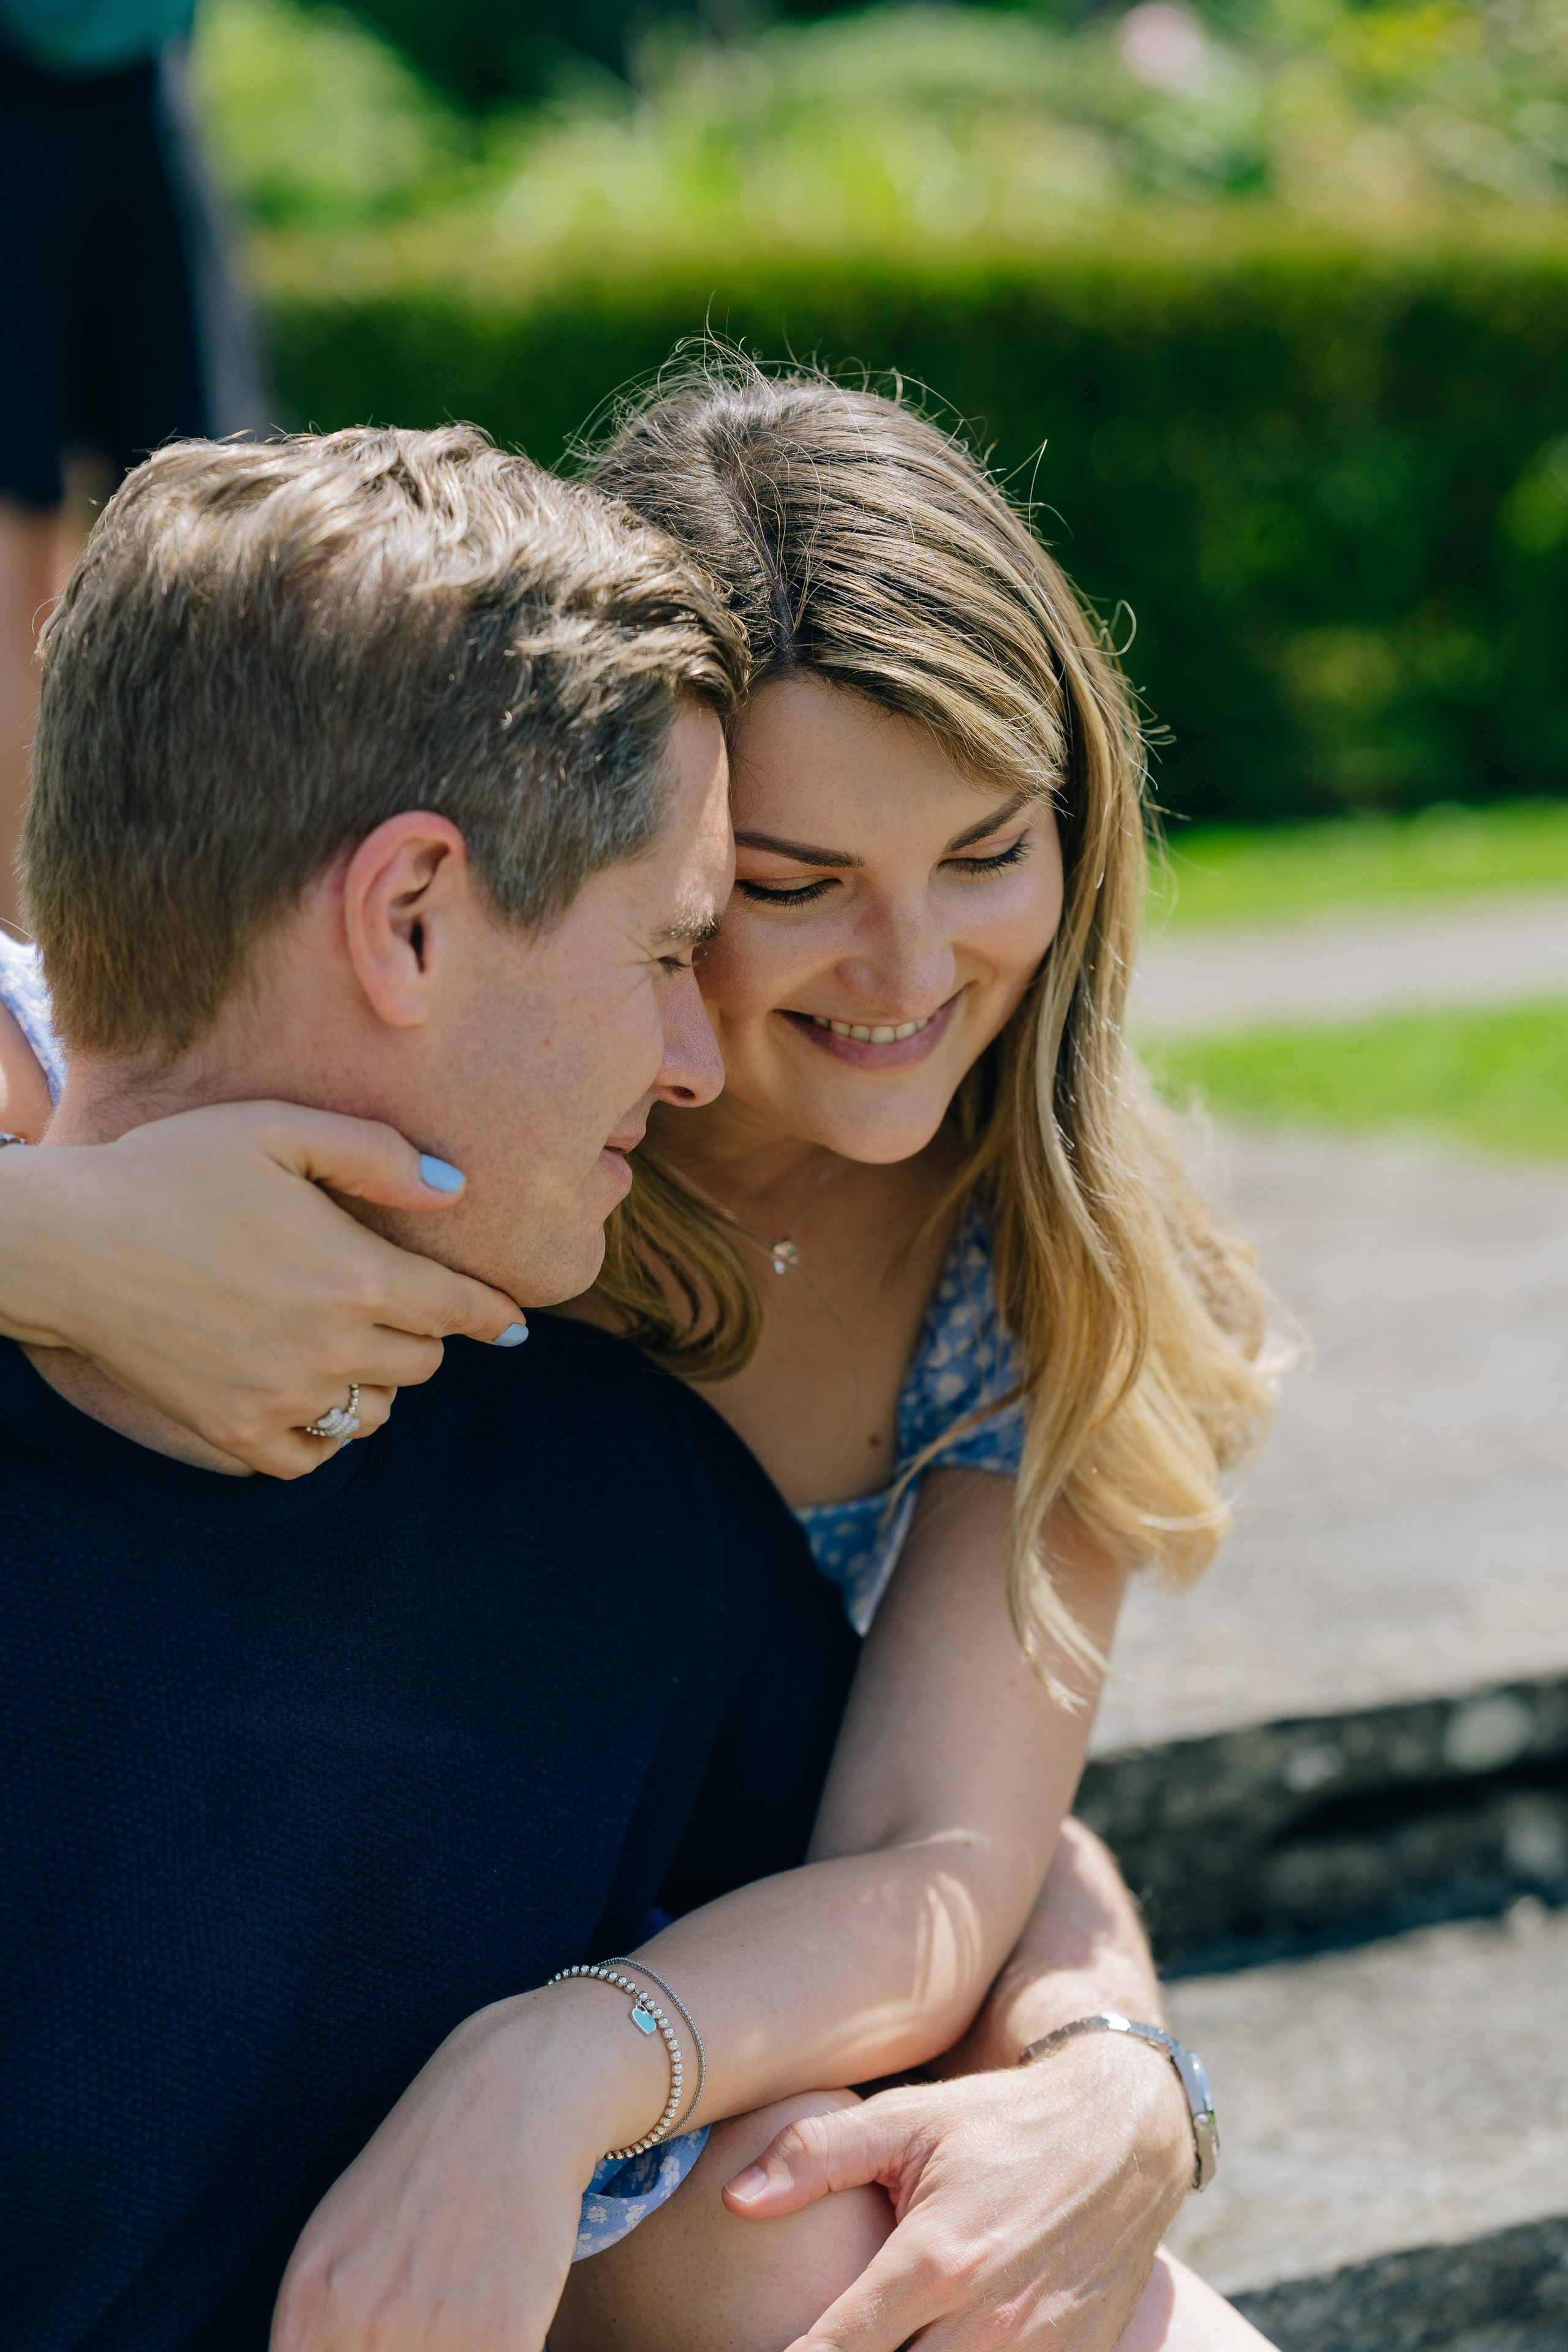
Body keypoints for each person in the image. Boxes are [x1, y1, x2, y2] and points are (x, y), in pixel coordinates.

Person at [0, 394, 1278, 2350]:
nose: (910, 963)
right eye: (765, 892)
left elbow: (945, 1838)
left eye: (989, 851)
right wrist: (65, 1241)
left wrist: (1113, 2056)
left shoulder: (1015, 1273)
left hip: (642, 2016)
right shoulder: (400, 1122)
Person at [0, 0, 265, 930]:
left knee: (218, 524)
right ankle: (26, 966)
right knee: (14, 543)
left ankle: (195, 951)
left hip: (142, 70)